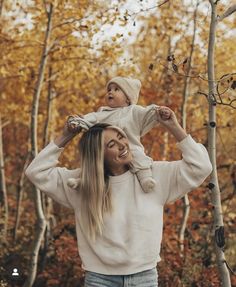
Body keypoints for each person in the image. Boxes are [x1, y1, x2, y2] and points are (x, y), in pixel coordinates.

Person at [25, 106, 212, 287]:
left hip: (144, 278)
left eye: (121, 137)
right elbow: (36, 172)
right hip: (99, 279)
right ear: (98, 155)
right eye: (111, 144)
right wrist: (67, 135)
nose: (122, 144)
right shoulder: (81, 185)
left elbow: (201, 167)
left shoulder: (152, 176)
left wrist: (173, 126)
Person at [67, 76, 160, 193]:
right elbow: (91, 118)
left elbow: (146, 113)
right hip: (108, 152)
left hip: (130, 146)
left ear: (127, 98)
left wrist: (157, 112)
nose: (110, 92)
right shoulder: (103, 113)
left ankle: (145, 179)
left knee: (138, 156)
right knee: (96, 161)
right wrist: (78, 121)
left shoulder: (134, 111)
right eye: (109, 90)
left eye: (116, 89)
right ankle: (84, 181)